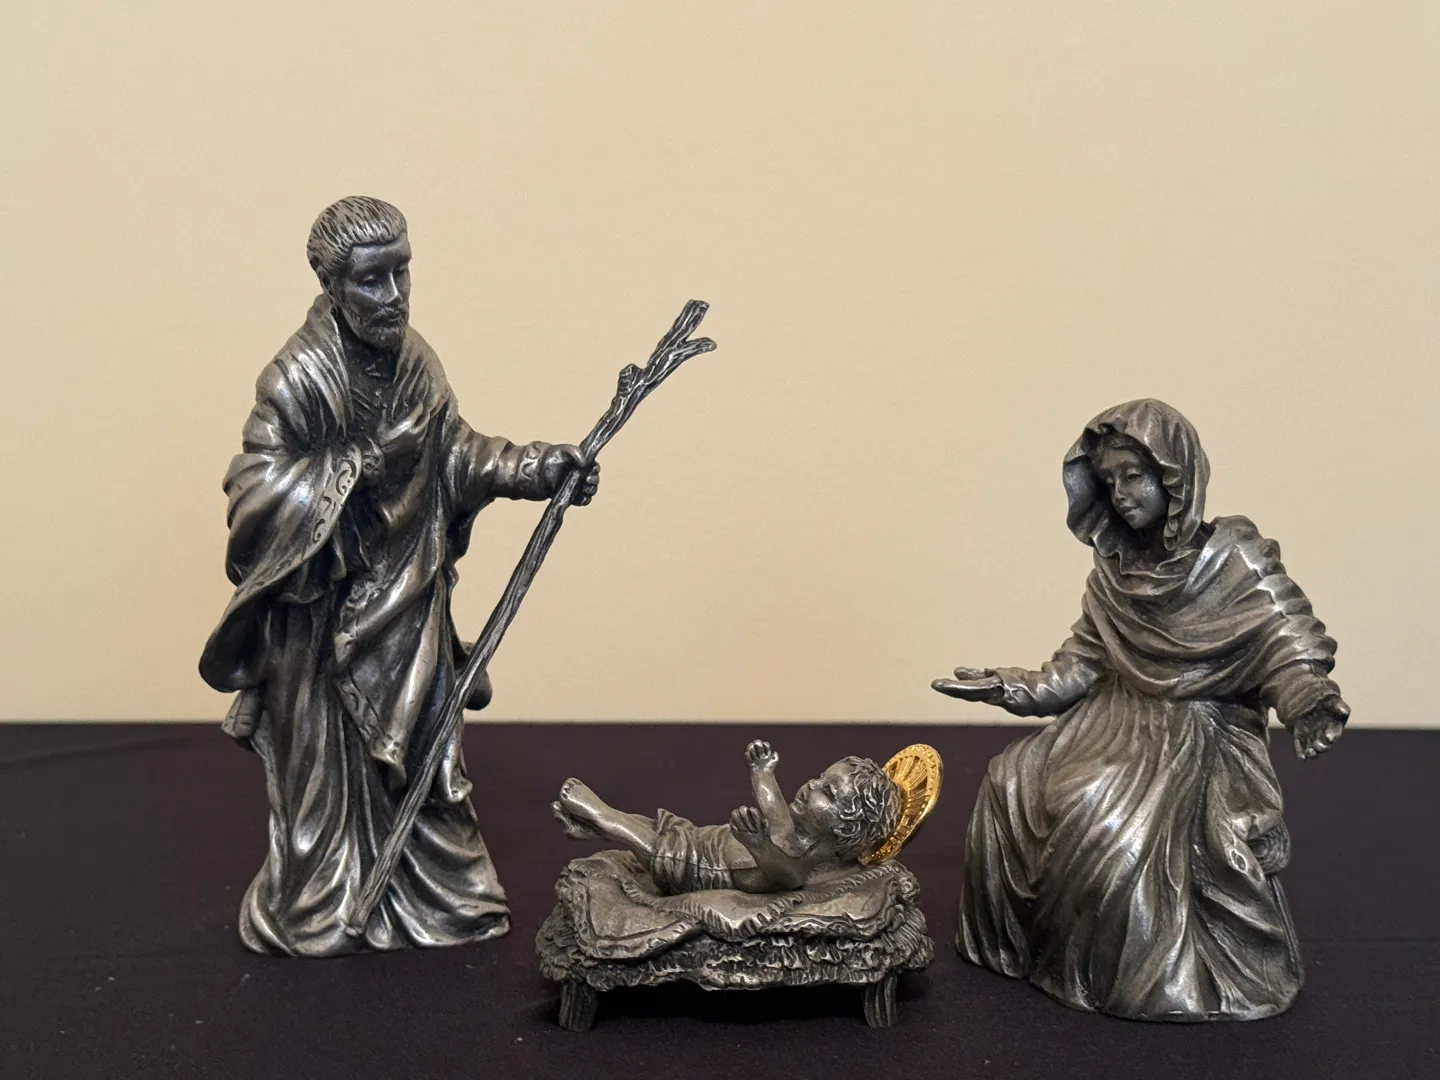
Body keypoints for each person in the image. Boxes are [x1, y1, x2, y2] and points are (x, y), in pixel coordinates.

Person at [199, 196, 600, 956]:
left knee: (427, 763)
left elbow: (455, 454)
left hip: (407, 609)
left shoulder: (415, 360)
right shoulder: (297, 378)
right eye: (370, 280)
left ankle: (444, 897)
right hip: (319, 625)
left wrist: (536, 468)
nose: (392, 295)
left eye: (402, 272)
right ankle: (319, 905)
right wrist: (361, 463)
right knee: (323, 788)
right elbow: (252, 489)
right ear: (330, 285)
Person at [934, 398, 1348, 1021]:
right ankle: (1027, 950)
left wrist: (1307, 700)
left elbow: (1287, 640)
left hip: (1199, 728)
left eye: (1134, 476)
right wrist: (1009, 687)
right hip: (1115, 719)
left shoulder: (1233, 556)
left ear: (1175, 476)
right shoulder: (1114, 574)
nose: (1122, 494)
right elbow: (1076, 667)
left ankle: (1136, 975)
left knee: (1108, 824)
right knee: (1009, 781)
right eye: (1109, 482)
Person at [552, 740, 903, 893]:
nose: (812, 784)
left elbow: (784, 875)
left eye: (828, 792)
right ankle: (594, 829)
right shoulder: (790, 827)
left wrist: (759, 844)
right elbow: (771, 802)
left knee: (652, 844)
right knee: (652, 827)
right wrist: (762, 771)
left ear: (845, 828)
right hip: (706, 840)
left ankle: (603, 816)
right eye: (820, 777)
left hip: (700, 868)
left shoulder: (802, 864)